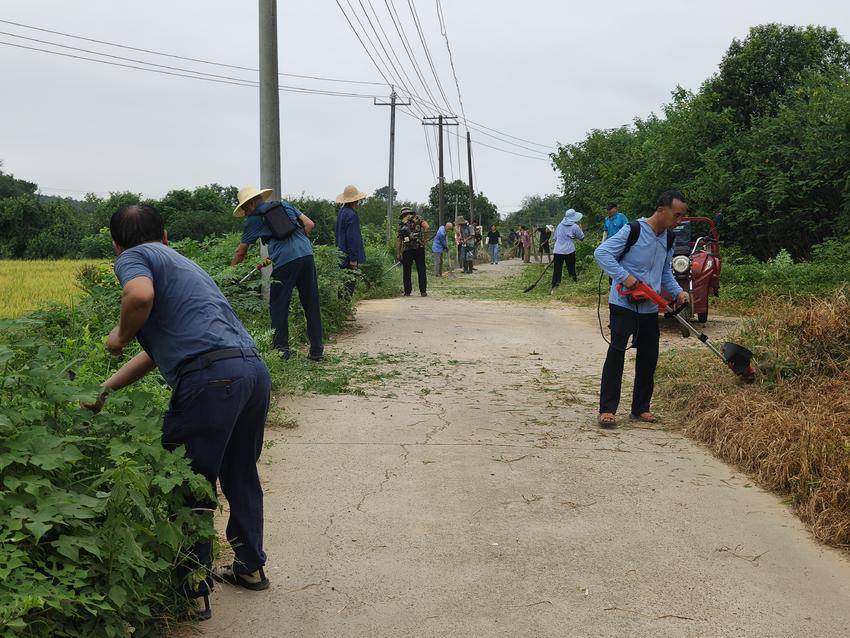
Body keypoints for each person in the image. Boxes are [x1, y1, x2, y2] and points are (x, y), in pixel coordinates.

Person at [85, 204, 272, 621]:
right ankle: (250, 567)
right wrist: (104, 389)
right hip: (251, 372)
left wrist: (119, 336)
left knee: (189, 482)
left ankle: (192, 589)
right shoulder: (182, 265)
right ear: (166, 235)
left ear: (115, 246)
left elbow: (138, 296)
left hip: (210, 381)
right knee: (240, 471)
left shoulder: (134, 257)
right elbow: (158, 354)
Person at [593, 190, 690, 428]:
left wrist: (678, 292)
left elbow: (664, 272)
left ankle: (641, 408)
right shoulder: (633, 230)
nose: (679, 221)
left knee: (648, 357)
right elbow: (602, 253)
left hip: (649, 307)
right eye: (677, 215)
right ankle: (607, 409)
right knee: (617, 353)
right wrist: (625, 278)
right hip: (623, 304)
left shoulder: (668, 239)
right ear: (661, 210)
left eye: (682, 216)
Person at [231, 186, 323, 361]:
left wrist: (231, 272)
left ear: (250, 204)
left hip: (285, 262)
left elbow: (241, 252)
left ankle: (282, 351)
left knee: (278, 305)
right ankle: (317, 350)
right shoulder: (284, 204)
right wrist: (296, 244)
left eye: (244, 208)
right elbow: (309, 224)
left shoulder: (254, 219)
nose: (245, 213)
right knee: (311, 302)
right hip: (306, 254)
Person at [335, 185, 368, 297]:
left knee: (343, 283)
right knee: (349, 283)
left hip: (341, 254)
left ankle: (341, 306)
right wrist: (353, 258)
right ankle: (345, 306)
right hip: (349, 256)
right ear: (356, 200)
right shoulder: (351, 215)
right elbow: (352, 238)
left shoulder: (342, 212)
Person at [397, 206, 430, 296]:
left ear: (403, 214)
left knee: (407, 271)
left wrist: (398, 253)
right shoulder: (418, 218)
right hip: (419, 247)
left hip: (407, 249)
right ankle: (423, 291)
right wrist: (425, 241)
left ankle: (407, 292)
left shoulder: (401, 224)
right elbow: (427, 227)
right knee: (421, 269)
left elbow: (399, 240)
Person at [551, 209, 585, 291]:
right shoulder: (575, 226)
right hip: (569, 250)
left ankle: (554, 286)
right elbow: (581, 237)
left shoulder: (560, 225)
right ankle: (573, 283)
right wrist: (578, 231)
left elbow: (555, 238)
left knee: (557, 269)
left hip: (558, 250)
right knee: (571, 268)